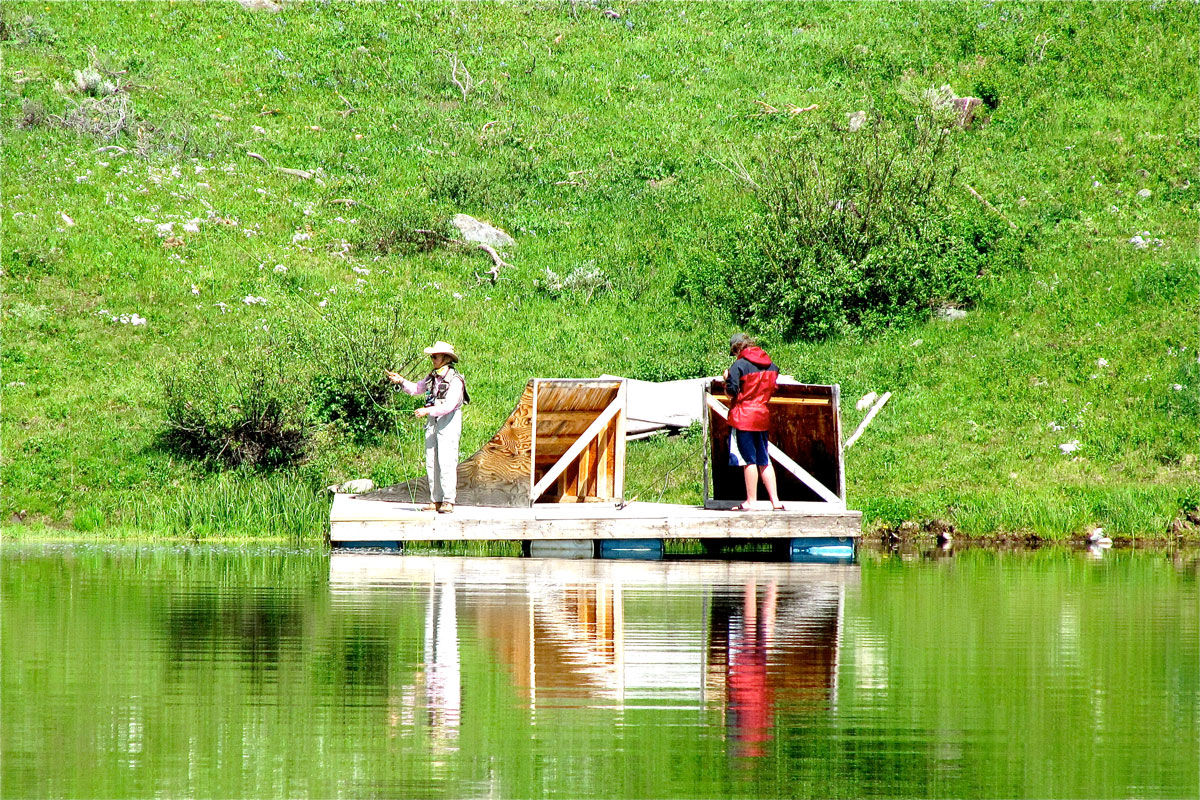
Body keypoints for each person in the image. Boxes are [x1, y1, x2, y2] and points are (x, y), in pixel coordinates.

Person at [386, 341, 468, 514]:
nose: (432, 359)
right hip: (432, 418)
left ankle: (448, 501)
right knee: (432, 459)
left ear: (446, 358)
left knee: (447, 460)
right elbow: (417, 388)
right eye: (432, 356)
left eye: (435, 356)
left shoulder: (456, 380)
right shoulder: (432, 377)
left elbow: (450, 405)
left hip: (449, 420)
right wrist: (400, 381)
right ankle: (436, 500)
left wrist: (426, 411)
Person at [725, 333, 783, 511]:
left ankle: (751, 501)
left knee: (748, 460)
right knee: (764, 459)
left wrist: (726, 378)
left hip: (744, 417)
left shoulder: (738, 366)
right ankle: (776, 501)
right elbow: (773, 388)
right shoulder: (772, 366)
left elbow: (731, 393)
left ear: (737, 349)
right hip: (762, 416)